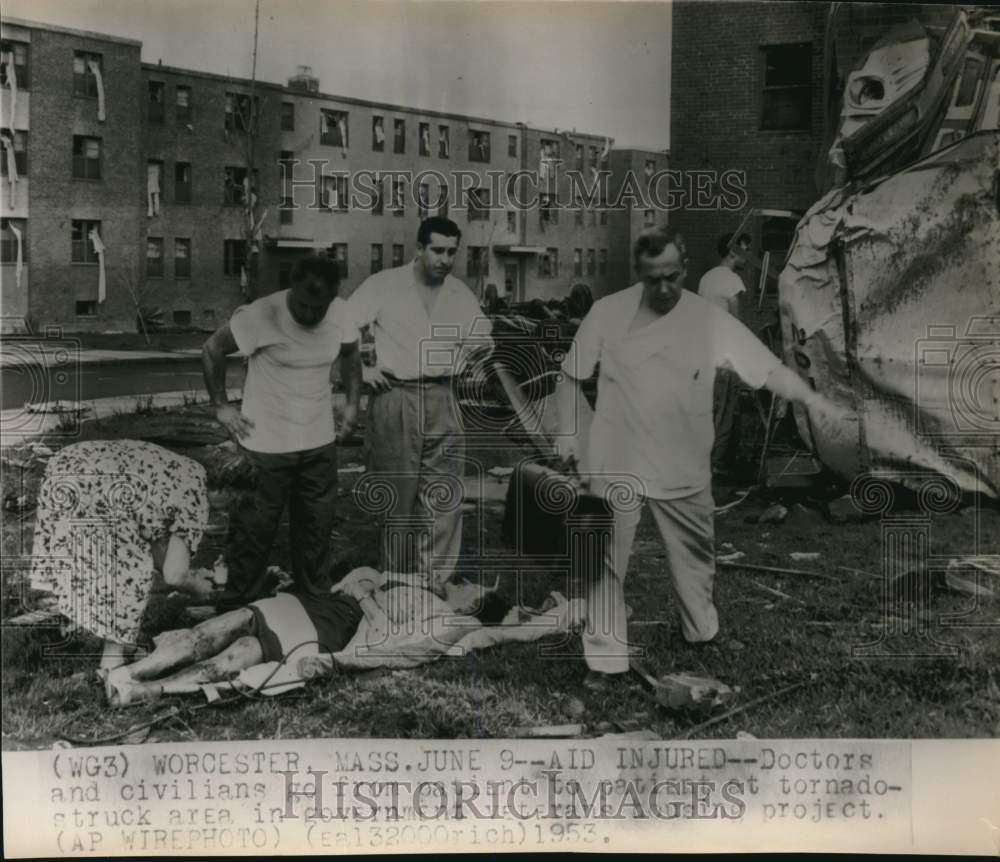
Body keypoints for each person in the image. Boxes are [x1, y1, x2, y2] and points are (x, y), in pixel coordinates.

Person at [555, 226, 844, 690]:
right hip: (616, 458)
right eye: (654, 280)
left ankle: (701, 633)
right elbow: (569, 377)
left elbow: (766, 368)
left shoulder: (707, 320)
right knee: (606, 560)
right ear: (639, 274)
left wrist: (817, 402)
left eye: (672, 277)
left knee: (694, 554)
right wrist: (569, 436)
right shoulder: (607, 314)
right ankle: (605, 662)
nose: (664, 288)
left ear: (684, 269)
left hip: (683, 459)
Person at [103, 567, 515, 706]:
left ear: (467, 608)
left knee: (234, 658)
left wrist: (366, 599)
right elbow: (358, 577)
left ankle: (142, 692)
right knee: (214, 630)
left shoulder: (442, 623)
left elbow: (391, 646)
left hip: (329, 632)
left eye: (469, 588)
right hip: (315, 606)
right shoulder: (420, 584)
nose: (459, 583)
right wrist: (367, 581)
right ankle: (132, 672)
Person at [201, 255, 363, 607]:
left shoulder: (341, 314)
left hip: (318, 444)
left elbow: (351, 355)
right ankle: (239, 608)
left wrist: (352, 402)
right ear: (292, 286)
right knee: (253, 534)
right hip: (265, 446)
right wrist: (221, 406)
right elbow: (213, 349)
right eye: (304, 304)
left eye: (319, 307)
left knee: (316, 532)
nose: (310, 314)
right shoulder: (261, 315)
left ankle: (312, 606)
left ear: (334, 297)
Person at [345, 217, 492, 595]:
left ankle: (435, 584)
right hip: (397, 395)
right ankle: (395, 583)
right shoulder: (385, 285)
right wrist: (363, 367)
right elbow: (339, 326)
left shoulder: (459, 294)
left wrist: (475, 364)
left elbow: (482, 344)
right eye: (437, 250)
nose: (445, 259)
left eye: (451, 252)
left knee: (443, 495)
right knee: (398, 494)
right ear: (419, 249)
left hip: (444, 396)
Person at [28, 440, 213, 676]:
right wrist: (198, 589)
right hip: (99, 484)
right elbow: (174, 575)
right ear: (228, 492)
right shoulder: (197, 495)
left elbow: (154, 541)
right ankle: (112, 664)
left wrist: (188, 572)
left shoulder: (189, 470)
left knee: (114, 556)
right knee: (130, 570)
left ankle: (106, 639)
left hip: (66, 464)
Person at [698, 232, 752, 473]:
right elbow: (736, 323)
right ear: (733, 252)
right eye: (745, 250)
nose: (747, 256)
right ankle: (716, 465)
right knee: (726, 411)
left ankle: (705, 462)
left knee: (711, 410)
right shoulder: (731, 280)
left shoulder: (707, 279)